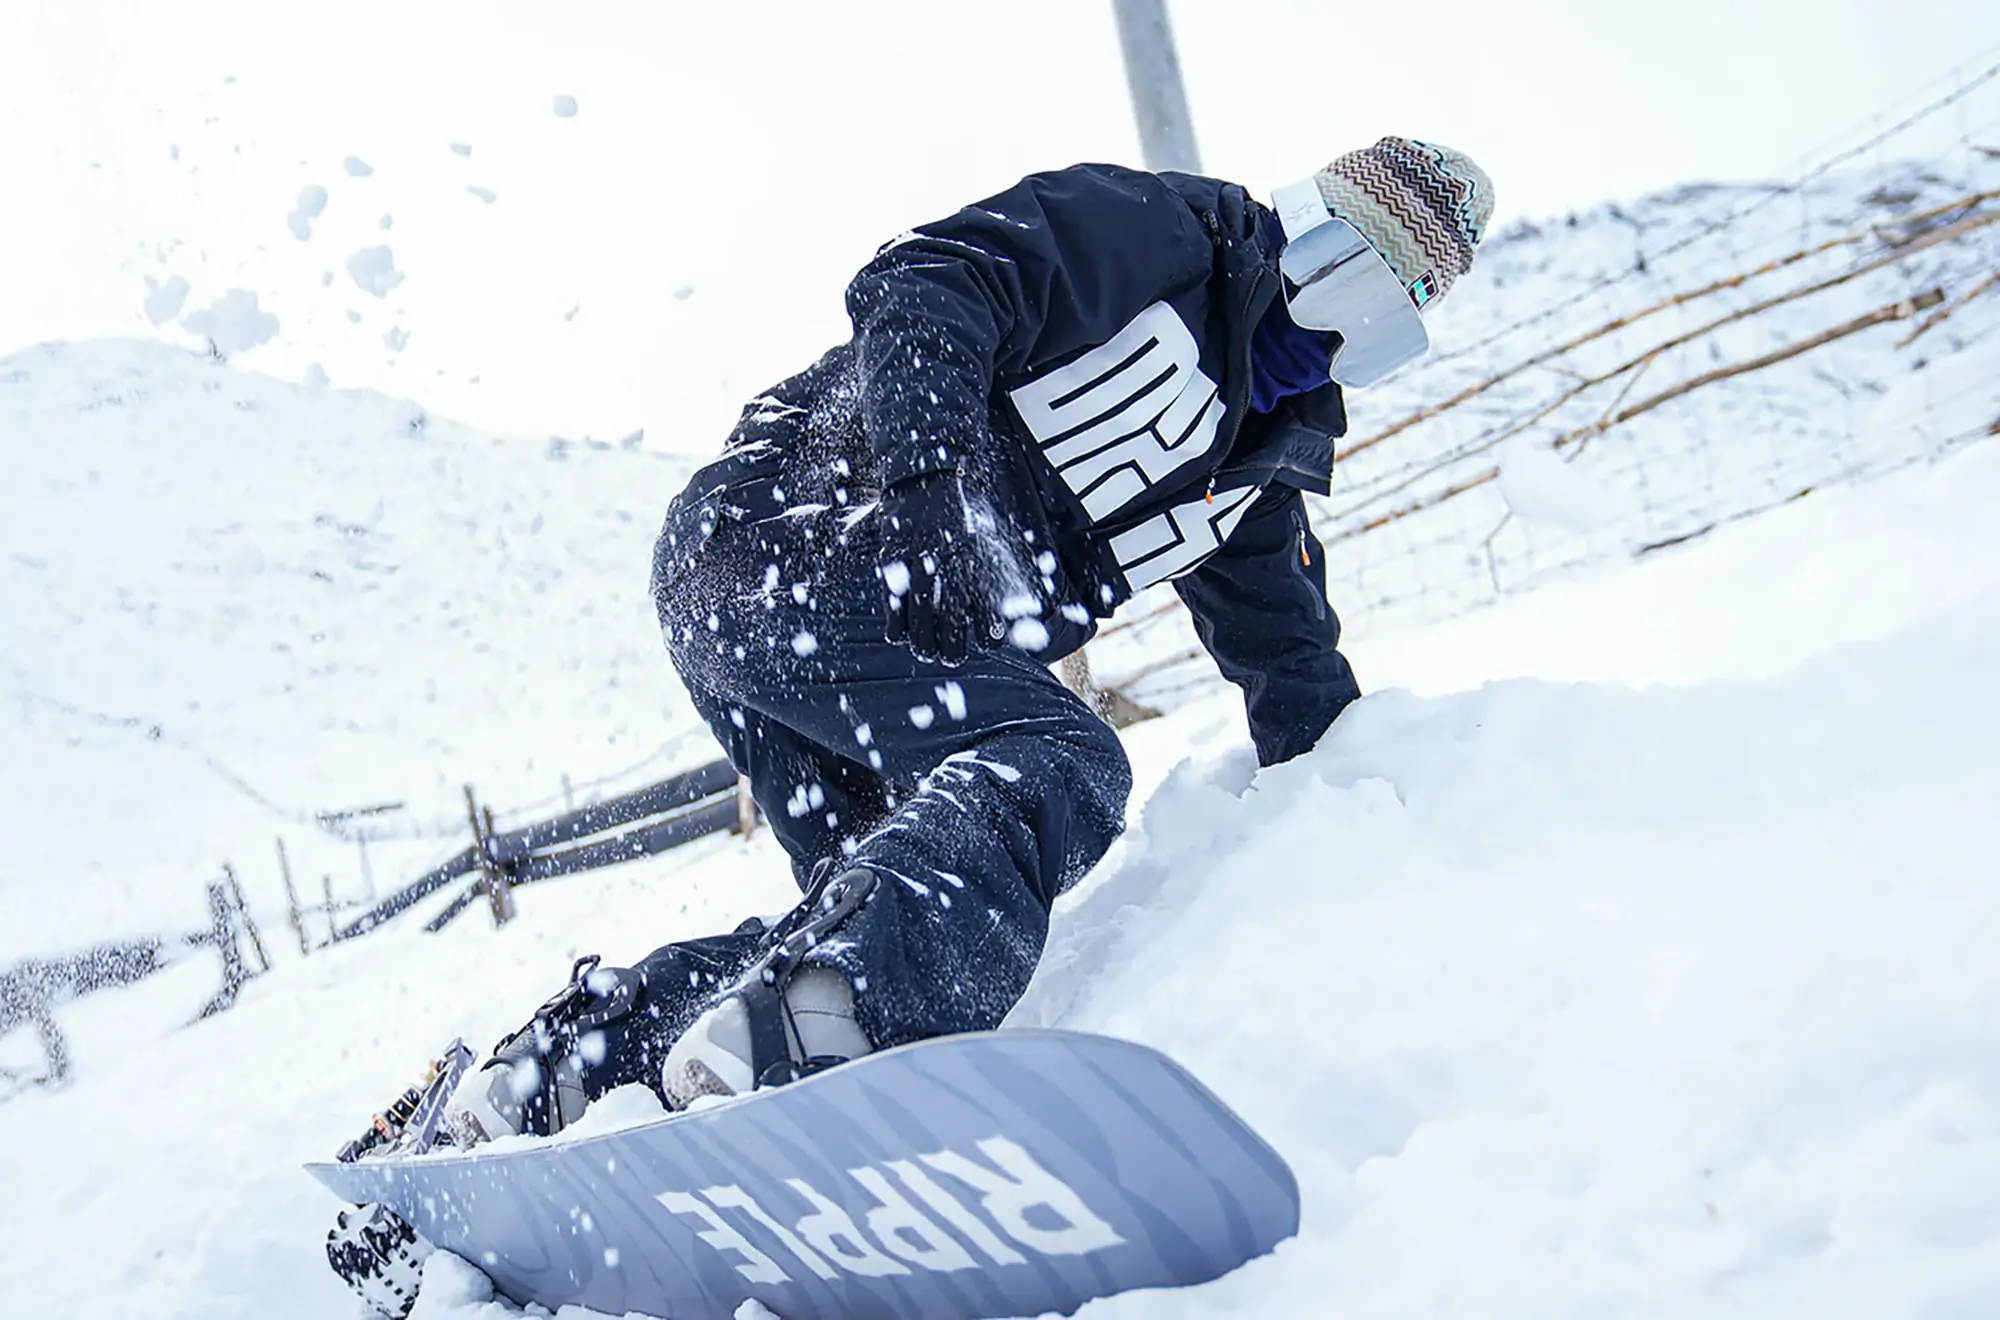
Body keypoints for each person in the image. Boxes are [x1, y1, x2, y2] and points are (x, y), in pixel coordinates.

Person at [446, 136, 1494, 1142]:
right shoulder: (1164, 239)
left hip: (790, 614)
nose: (1344, 322)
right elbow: (925, 280)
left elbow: (1295, 673)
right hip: (795, 530)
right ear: (1308, 225)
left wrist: (1389, 853)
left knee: (876, 898)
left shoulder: (1254, 475)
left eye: (1389, 315)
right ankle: (826, 1034)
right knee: (1061, 760)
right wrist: (928, 490)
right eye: (1349, 268)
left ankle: (576, 1073)